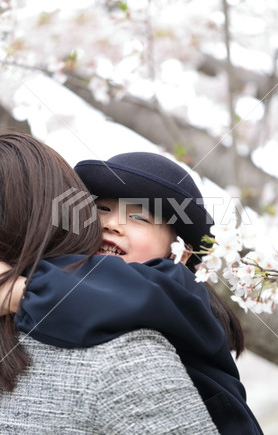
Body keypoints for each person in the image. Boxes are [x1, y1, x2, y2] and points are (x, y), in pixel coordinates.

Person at [0, 143, 264, 434]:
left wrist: (17, 289)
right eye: (101, 209)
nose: (113, 223)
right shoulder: (86, 281)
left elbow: (121, 296)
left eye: (138, 217)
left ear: (180, 253)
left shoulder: (175, 286)